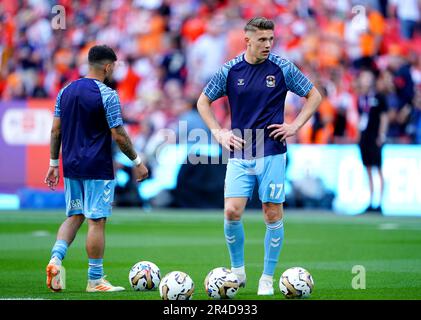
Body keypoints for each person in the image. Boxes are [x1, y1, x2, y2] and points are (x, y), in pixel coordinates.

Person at [196, 17, 321, 295]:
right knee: (231, 211)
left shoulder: (282, 68)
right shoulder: (230, 70)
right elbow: (203, 101)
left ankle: (267, 277)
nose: (268, 44)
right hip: (240, 151)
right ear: (248, 40)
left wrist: (294, 126)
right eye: (262, 39)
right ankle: (238, 271)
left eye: (271, 39)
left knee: (271, 212)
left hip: (273, 151)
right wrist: (219, 133)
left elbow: (314, 96)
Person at [44, 45, 149, 293]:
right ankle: (95, 280)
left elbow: (55, 130)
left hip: (71, 165)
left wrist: (53, 164)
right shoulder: (108, 94)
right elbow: (118, 134)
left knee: (74, 216)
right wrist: (137, 161)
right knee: (96, 221)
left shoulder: (65, 91)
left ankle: (55, 259)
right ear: (108, 66)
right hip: (97, 166)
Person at [356, 69, 389, 214]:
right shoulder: (361, 98)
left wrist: (381, 134)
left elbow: (384, 117)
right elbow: (360, 117)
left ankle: (380, 202)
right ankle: (370, 200)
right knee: (368, 168)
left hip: (375, 136)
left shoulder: (379, 97)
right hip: (365, 137)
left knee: (378, 169)